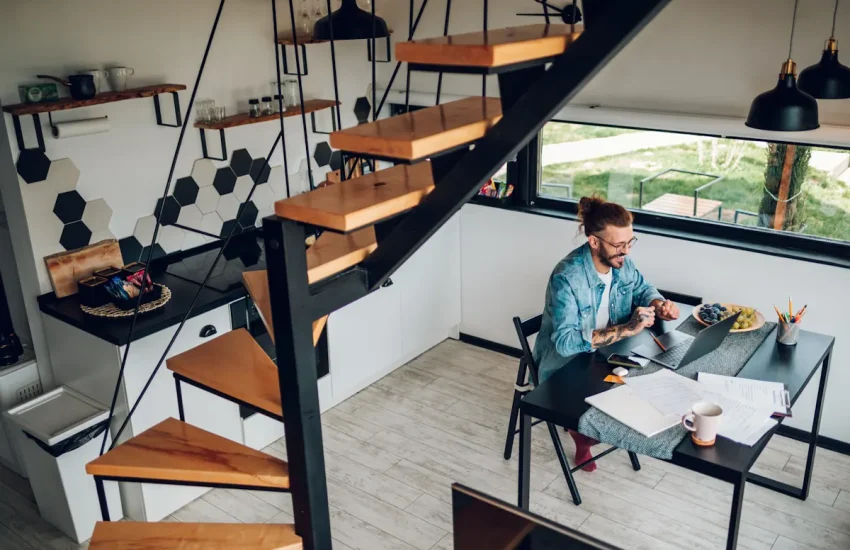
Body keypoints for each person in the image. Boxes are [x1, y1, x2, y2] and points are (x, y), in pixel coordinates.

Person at [533, 196, 679, 471]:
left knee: (657, 378)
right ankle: (582, 435)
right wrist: (627, 329)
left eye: (630, 242)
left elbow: (643, 288)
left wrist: (660, 305)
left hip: (608, 356)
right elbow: (565, 344)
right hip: (567, 365)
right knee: (610, 410)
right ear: (594, 242)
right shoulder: (567, 277)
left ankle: (587, 427)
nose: (626, 251)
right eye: (618, 245)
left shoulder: (622, 263)